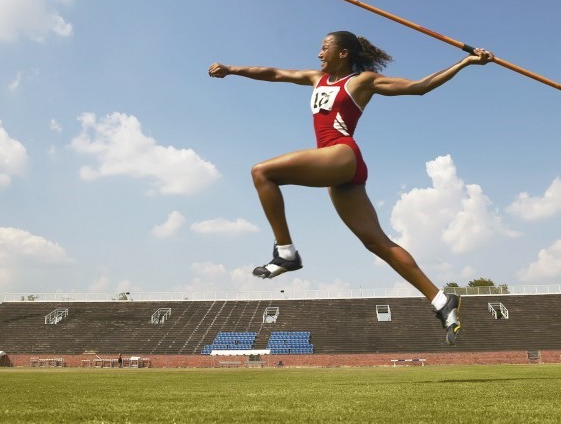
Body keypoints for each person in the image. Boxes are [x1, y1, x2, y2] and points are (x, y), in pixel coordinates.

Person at [208, 31, 493, 344]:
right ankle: (441, 300)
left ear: (343, 53)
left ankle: (286, 252)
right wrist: (233, 69)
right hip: (340, 176)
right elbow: (274, 73)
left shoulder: (362, 81)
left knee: (262, 172)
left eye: (325, 47)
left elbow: (419, 87)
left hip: (343, 154)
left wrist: (465, 62)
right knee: (376, 242)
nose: (319, 53)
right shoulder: (316, 78)